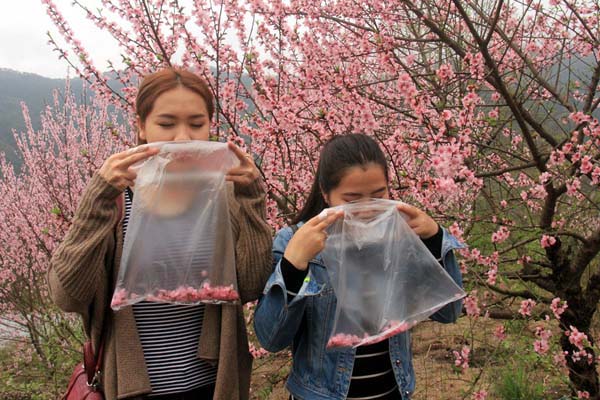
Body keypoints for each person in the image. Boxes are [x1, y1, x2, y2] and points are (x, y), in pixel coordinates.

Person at [48, 67, 272, 400]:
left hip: (212, 385)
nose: (183, 137)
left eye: (197, 124)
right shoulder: (117, 201)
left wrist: (252, 197)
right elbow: (67, 296)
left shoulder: (223, 196)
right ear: (141, 126)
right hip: (131, 388)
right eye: (166, 124)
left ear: (211, 126)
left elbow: (252, 285)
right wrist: (97, 199)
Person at [254, 134, 464, 400]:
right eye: (352, 200)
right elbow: (271, 339)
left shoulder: (398, 235)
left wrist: (434, 240)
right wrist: (294, 265)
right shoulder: (294, 241)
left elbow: (449, 312)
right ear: (326, 194)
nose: (367, 209)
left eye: (378, 195)